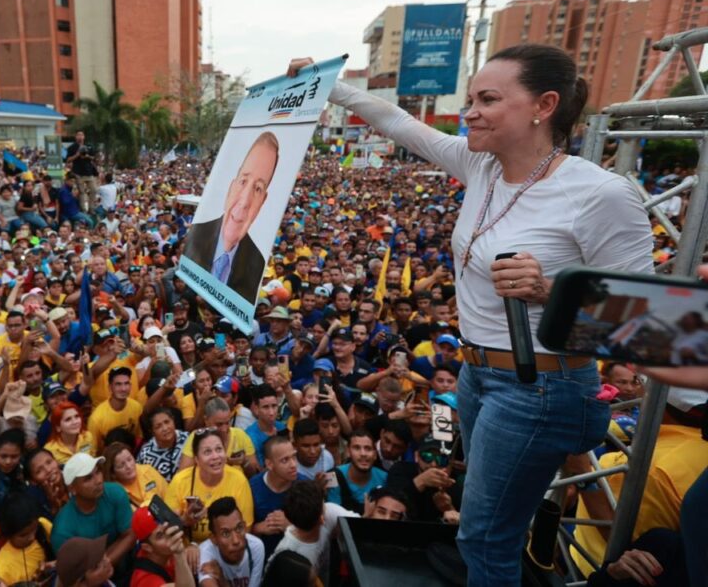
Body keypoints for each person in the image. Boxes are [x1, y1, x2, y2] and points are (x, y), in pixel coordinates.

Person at [298, 42, 654, 585]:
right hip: (478, 376)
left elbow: (645, 316)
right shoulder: (478, 165)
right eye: (470, 98)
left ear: (544, 105)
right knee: (483, 530)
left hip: (540, 387)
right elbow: (398, 123)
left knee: (484, 539)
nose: (470, 112)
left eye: (488, 99)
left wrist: (551, 289)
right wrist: (331, 86)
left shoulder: (601, 194)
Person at [184, 132, 279, 303]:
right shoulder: (196, 236)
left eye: (257, 189)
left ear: (263, 202)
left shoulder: (257, 264)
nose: (244, 202)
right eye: (243, 181)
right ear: (231, 187)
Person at [50, 452, 135, 569]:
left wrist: (104, 564)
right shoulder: (62, 529)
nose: (99, 480)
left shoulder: (115, 492)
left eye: (98, 472)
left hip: (125, 561)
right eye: (88, 478)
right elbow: (74, 572)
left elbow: (130, 534)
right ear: (72, 489)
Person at [166, 429, 253, 543]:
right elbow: (167, 527)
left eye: (219, 449)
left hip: (226, 547)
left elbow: (246, 528)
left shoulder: (239, 480)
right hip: (188, 551)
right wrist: (185, 520)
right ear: (196, 459)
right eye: (207, 452)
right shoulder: (180, 481)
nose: (215, 456)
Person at [274, 480, 357, 579]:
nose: (326, 505)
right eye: (323, 503)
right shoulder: (288, 555)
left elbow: (357, 524)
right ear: (321, 519)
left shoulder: (326, 514)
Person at [248, 435, 307, 556]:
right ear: (269, 464)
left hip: (298, 559)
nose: (293, 465)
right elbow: (241, 531)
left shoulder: (306, 487)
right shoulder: (252, 487)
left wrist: (290, 526)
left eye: (294, 457)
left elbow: (317, 530)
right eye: (285, 460)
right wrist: (258, 528)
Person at [196, 496, 265, 587]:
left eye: (239, 528)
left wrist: (222, 581)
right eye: (225, 533)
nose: (236, 540)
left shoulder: (256, 547)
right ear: (214, 538)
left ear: (245, 526)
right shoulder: (206, 551)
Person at [0, 493, 55, 586]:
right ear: (8, 535)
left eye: (34, 529)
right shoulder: (1, 571)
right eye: (23, 535)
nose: (32, 537)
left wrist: (56, 565)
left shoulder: (42, 524)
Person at [130, 507, 197, 587]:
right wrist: (179, 554)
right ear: (147, 547)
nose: (169, 535)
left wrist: (194, 546)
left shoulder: (165, 552)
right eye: (160, 535)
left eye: (167, 527)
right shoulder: (145, 580)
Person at [327, 430, 388, 512]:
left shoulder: (385, 478)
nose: (363, 454)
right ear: (348, 452)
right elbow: (332, 515)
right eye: (357, 448)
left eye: (368, 449)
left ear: (375, 455)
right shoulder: (332, 475)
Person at [101, 442, 167, 509]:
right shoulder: (114, 493)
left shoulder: (148, 470)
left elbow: (168, 495)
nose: (129, 466)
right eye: (121, 465)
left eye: (129, 459)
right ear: (113, 474)